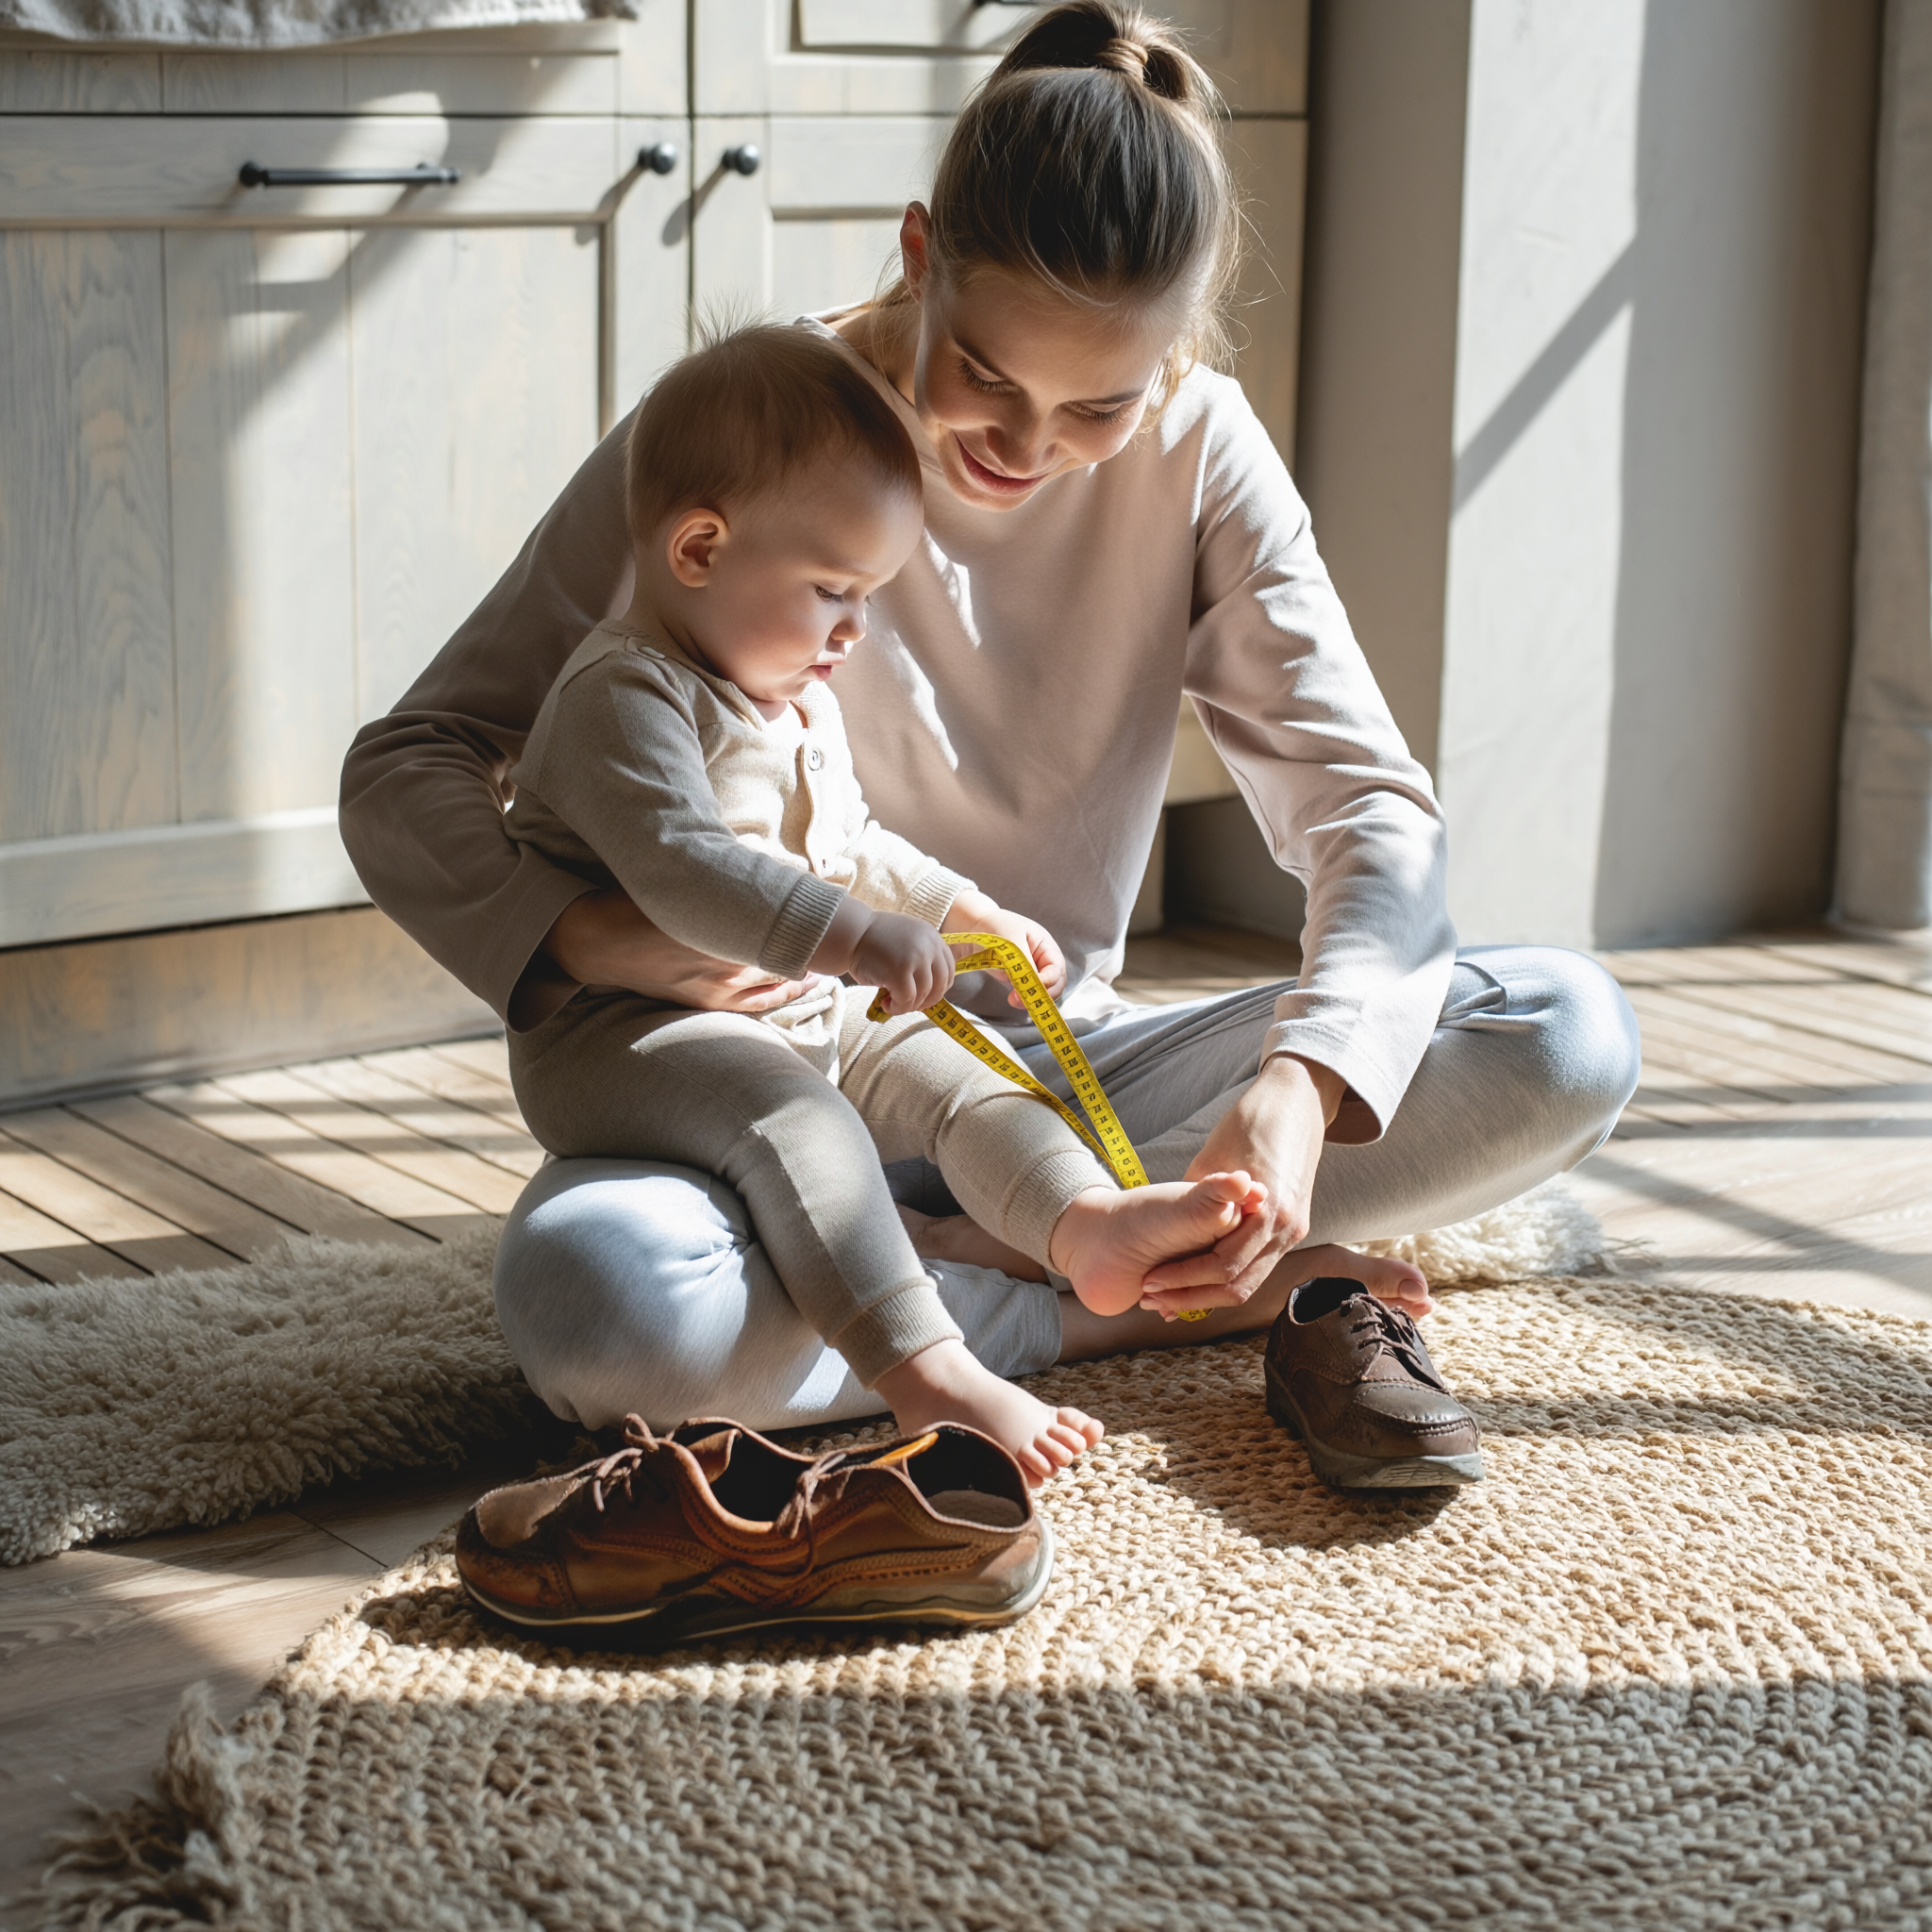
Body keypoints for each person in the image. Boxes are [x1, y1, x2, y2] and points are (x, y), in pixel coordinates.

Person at [339, 0, 1641, 1467]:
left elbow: (1368, 812)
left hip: (1050, 1083)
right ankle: (1105, 1308)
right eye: (987, 378)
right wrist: (588, 939)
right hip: (751, 1072)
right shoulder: (746, 439)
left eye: (1099, 406)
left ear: (1171, 357)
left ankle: (991, 1265)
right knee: (601, 1302)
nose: (1026, 450)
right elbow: (413, 760)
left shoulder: (1203, 450)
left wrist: (1302, 1089)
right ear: (920, 257)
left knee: (1567, 1034)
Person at [501, 320, 1427, 1483]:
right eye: (832, 591)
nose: (854, 628)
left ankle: (1084, 1226)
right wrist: (855, 938)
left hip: (802, 1007)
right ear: (698, 548)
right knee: (802, 1124)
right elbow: (684, 868)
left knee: (962, 1082)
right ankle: (926, 1370)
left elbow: (855, 843)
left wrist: (957, 910)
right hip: (630, 1035)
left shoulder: (791, 693)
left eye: (868, 594)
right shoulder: (622, 696)